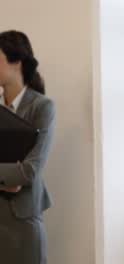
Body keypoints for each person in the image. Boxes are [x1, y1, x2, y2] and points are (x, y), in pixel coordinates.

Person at [0, 30, 55, 264]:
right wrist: (9, 175)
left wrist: (17, 175)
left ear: (16, 63)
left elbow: (30, 171)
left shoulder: (42, 107)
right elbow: (17, 172)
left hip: (22, 221)